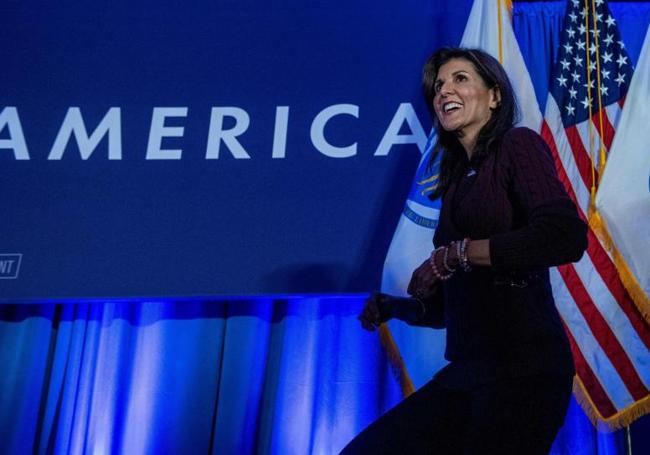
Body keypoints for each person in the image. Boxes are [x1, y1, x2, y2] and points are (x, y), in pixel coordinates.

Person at [341, 47, 588, 454]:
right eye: (439, 85)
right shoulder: (456, 185)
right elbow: (446, 311)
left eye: (460, 79)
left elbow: (564, 235)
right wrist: (394, 307)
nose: (444, 91)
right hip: (469, 372)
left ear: (495, 96)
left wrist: (455, 254)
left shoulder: (517, 144)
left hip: (525, 370)